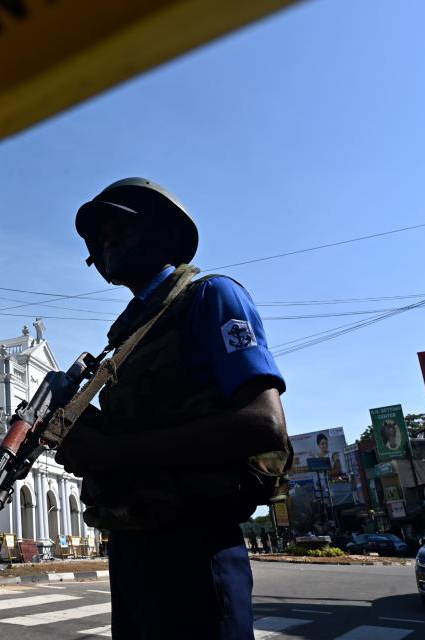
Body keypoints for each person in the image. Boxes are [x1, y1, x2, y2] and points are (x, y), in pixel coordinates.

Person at [55, 178, 290, 639]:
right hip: (134, 545)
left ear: (162, 232)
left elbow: (264, 423)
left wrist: (110, 453)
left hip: (196, 547)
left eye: (119, 226)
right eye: (100, 236)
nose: (106, 240)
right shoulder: (128, 334)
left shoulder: (210, 297)